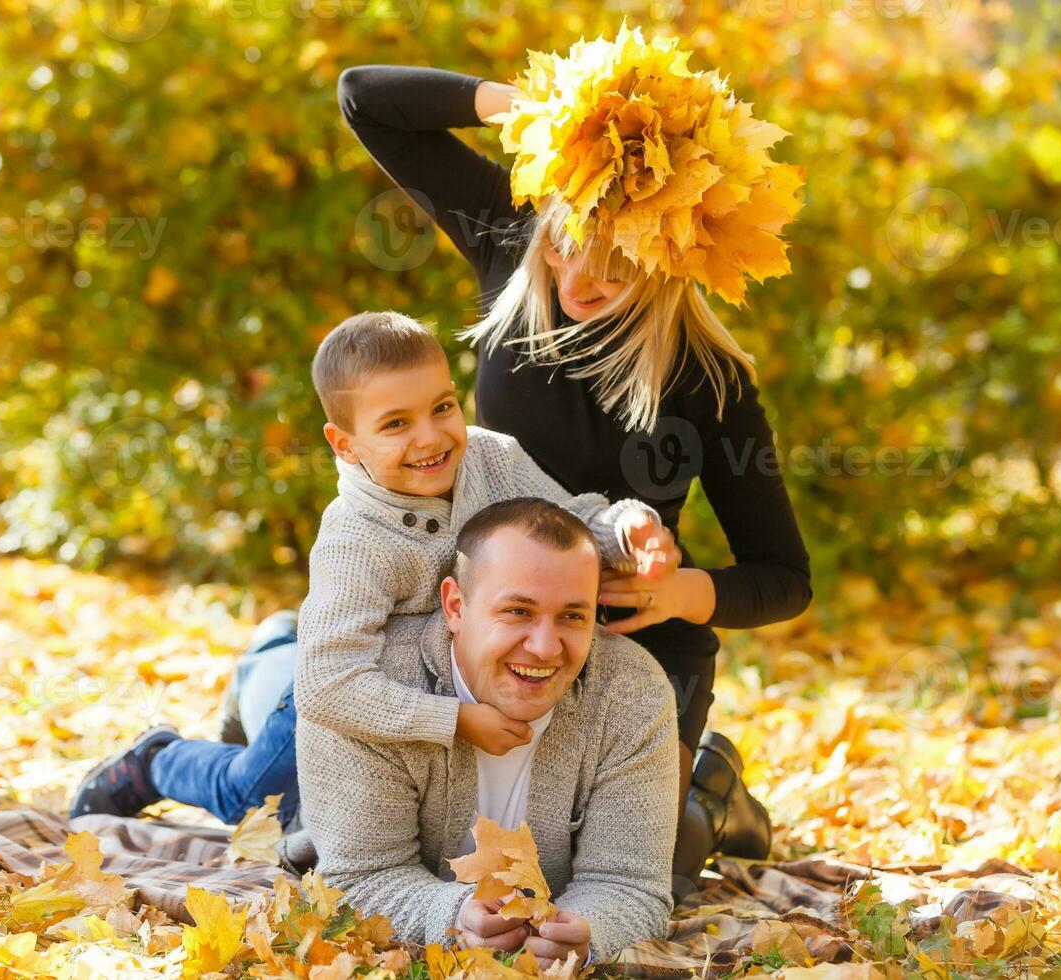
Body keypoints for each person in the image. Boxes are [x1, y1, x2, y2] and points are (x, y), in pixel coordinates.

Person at [337, 59, 814, 885]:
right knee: (428, 849)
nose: (579, 280)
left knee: (633, 869)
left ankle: (711, 784)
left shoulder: (711, 379)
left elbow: (785, 577)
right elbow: (364, 100)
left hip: (638, 648)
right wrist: (548, 117)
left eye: (616, 261)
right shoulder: (509, 241)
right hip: (487, 619)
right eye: (566, 243)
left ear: (669, 251)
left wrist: (674, 594)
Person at [69, 310, 673, 826]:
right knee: (252, 797)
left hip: (412, 691)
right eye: (395, 424)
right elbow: (329, 684)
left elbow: (569, 518)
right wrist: (456, 719)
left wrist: (626, 530)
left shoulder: (493, 458)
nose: (431, 436)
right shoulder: (354, 540)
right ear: (345, 444)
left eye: (442, 406)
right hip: (348, 686)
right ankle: (158, 756)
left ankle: (273, 648)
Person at [297, 497, 680, 967]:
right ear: (455, 606)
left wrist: (587, 931)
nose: (544, 648)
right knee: (257, 740)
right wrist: (452, 916)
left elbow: (631, 885)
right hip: (299, 736)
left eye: (572, 616)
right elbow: (361, 877)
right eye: (518, 611)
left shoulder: (632, 692)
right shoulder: (367, 691)